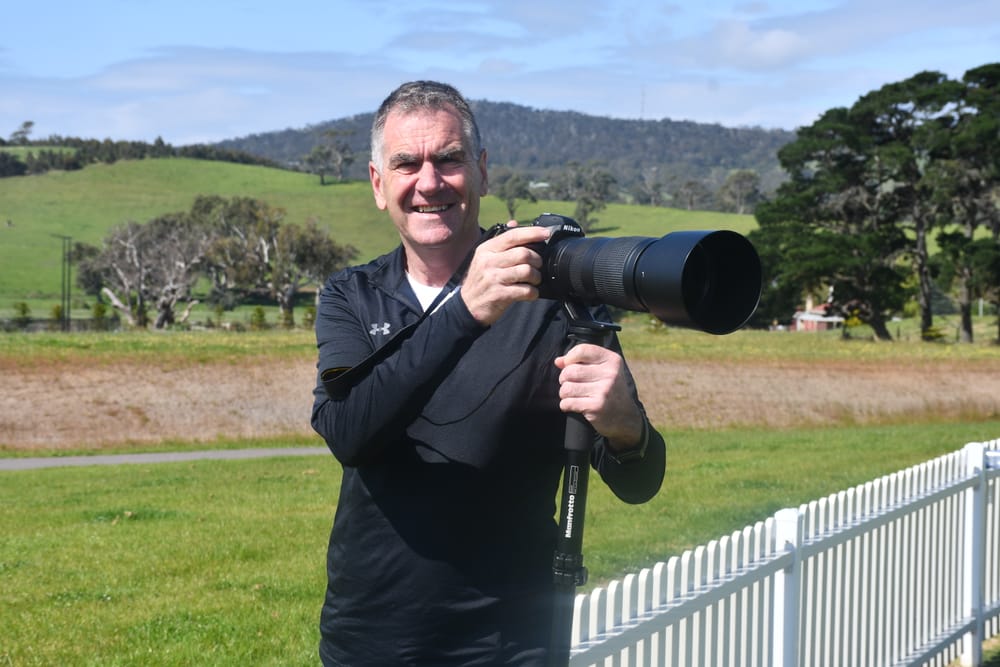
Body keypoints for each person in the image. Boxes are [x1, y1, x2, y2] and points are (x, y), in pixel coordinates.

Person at [310, 80, 666, 666]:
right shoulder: (354, 296)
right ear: (379, 185)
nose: (429, 182)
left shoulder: (554, 297)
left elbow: (638, 481)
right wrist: (466, 310)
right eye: (406, 163)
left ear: (481, 171)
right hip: (372, 639)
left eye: (449, 160)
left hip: (511, 643)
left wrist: (626, 425)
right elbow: (350, 433)